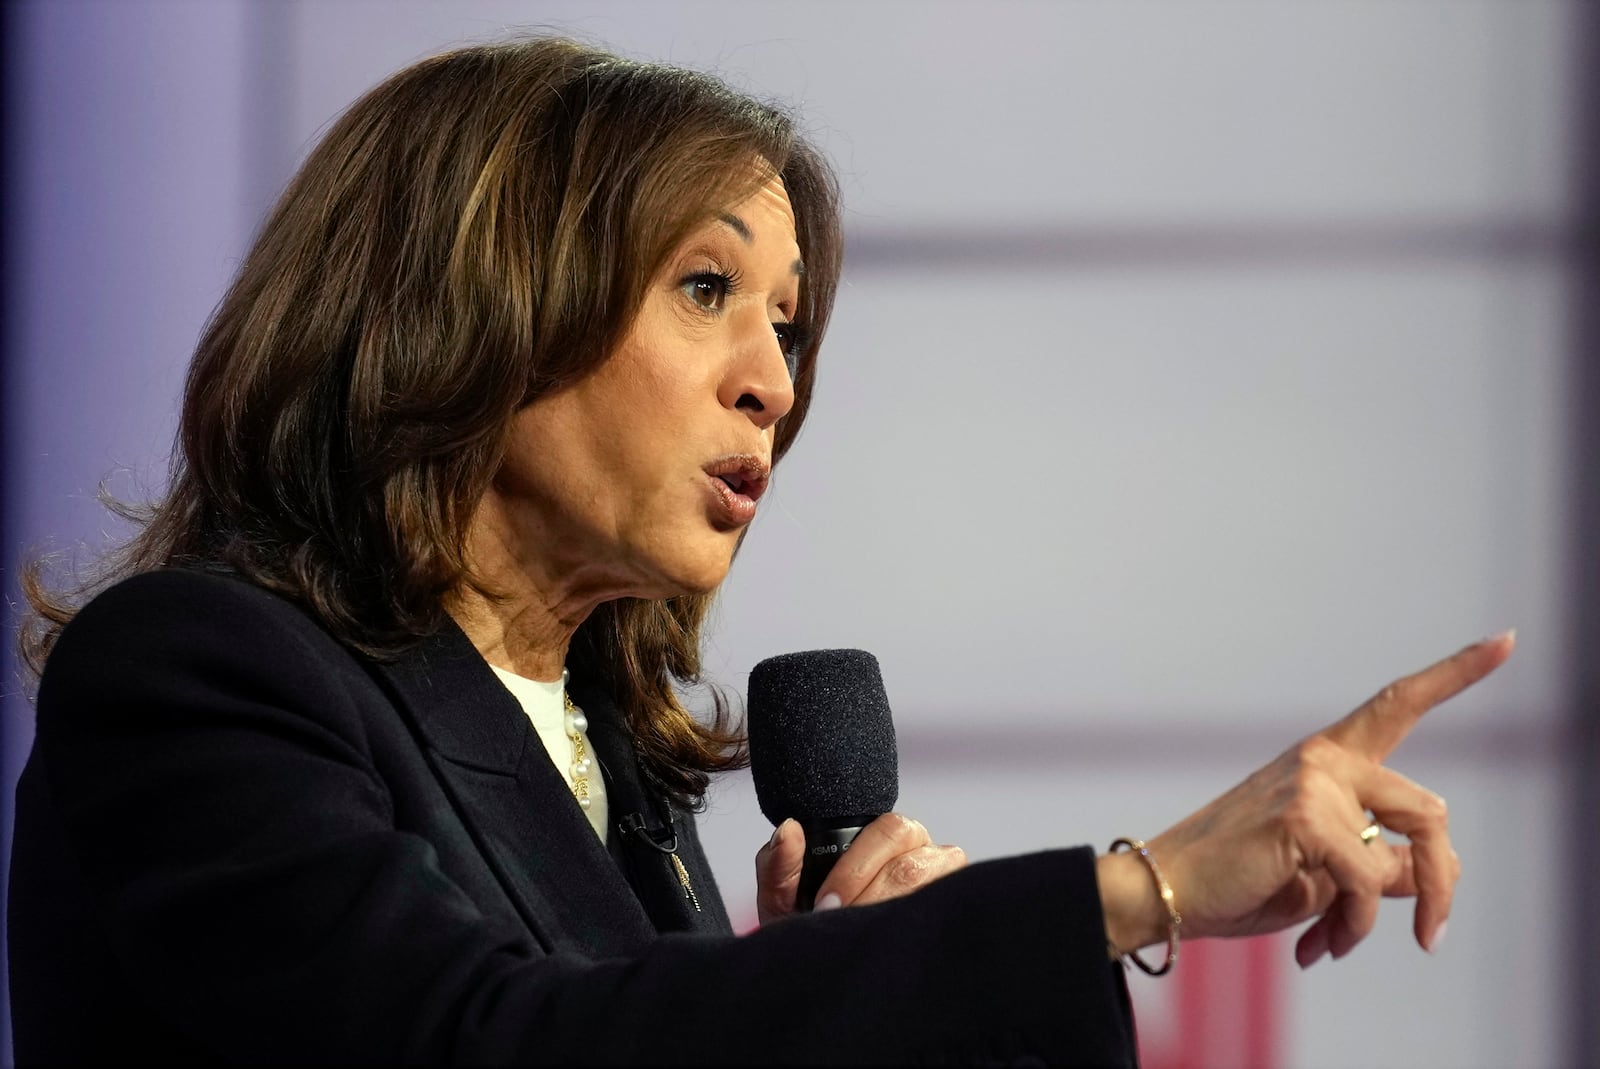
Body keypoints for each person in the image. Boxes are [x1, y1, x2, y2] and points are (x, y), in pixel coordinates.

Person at [8, 36, 1512, 1066]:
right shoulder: (198, 675)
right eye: (709, 286)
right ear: (476, 302)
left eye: (788, 322)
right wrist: (1127, 891)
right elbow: (481, 1044)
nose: (775, 382)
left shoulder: (617, 770)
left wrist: (844, 991)